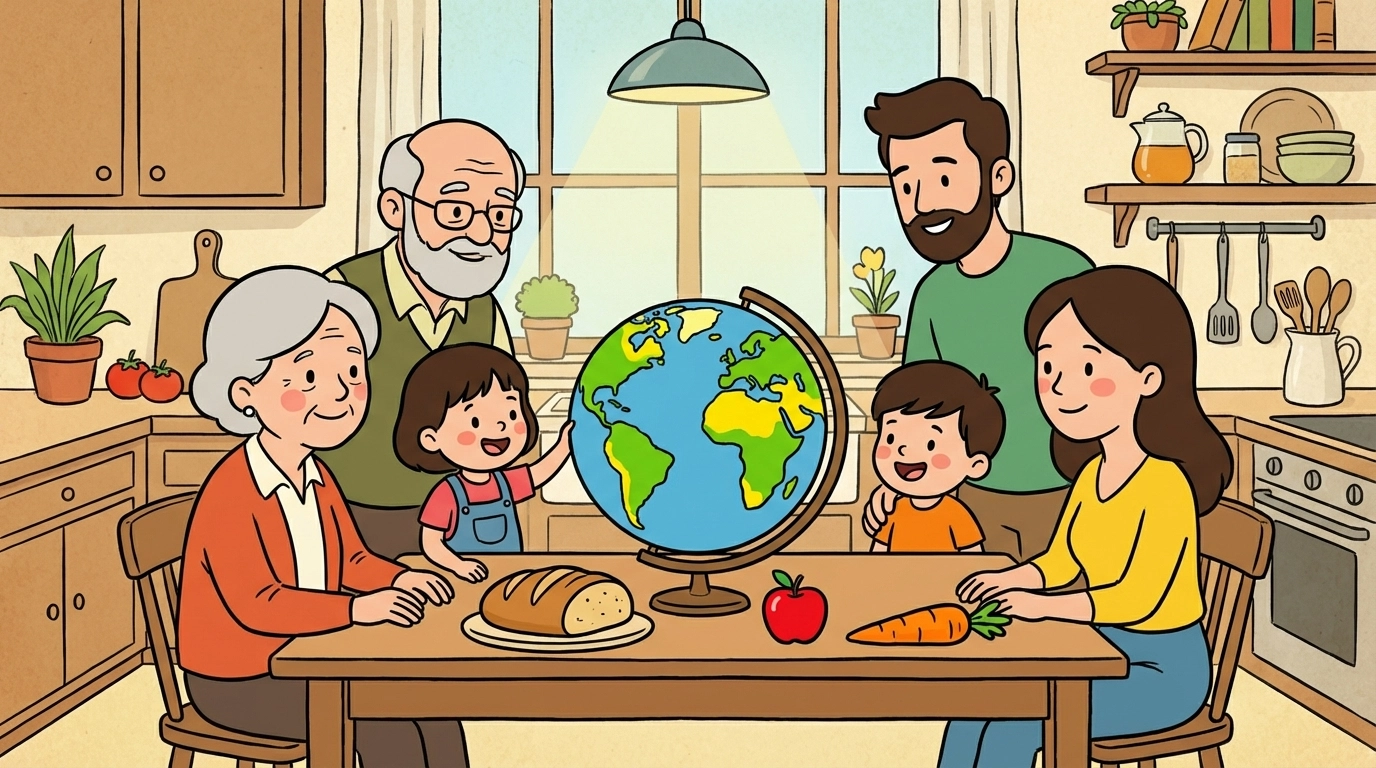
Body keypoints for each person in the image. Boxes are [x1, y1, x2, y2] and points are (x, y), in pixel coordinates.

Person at [939, 266, 1234, 768]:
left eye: (1087, 368)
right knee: (977, 704)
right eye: (1048, 366)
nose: (1058, 386)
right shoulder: (1091, 474)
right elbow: (1060, 559)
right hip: (1101, 645)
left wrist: (1043, 607)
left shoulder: (1165, 486)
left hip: (1162, 670)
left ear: (1148, 378)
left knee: (1022, 721)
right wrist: (1012, 578)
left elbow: (1138, 598)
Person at [182, 267, 467, 768]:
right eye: (309, 376)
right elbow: (257, 604)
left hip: (310, 651)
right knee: (382, 720)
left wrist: (403, 577)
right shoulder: (231, 491)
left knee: (434, 706)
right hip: (240, 678)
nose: (339, 393)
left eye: (352, 372)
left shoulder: (317, 473)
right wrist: (358, 611)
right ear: (244, 393)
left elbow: (352, 559)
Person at [862, 78, 1094, 563]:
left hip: (1068, 499)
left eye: (943, 178)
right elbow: (913, 411)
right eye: (905, 184)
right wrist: (902, 491)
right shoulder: (932, 295)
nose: (923, 203)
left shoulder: (1063, 273)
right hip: (965, 504)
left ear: (999, 177)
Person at [320, 119, 527, 559]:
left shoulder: (485, 311)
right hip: (355, 521)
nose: (481, 234)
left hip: (463, 521)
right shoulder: (341, 296)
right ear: (395, 209)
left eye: (500, 214)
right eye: (455, 211)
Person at [394, 344, 574, 582]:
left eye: (511, 414)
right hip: (462, 579)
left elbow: (540, 472)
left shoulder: (506, 482)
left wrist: (564, 445)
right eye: (476, 421)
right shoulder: (447, 494)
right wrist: (458, 565)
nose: (500, 427)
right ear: (431, 438)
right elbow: (431, 542)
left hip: (509, 576)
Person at [867, 361, 1002, 554]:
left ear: (975, 464)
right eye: (891, 437)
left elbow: (974, 561)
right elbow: (875, 560)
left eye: (930, 444)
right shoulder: (894, 512)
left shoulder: (956, 514)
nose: (904, 449)